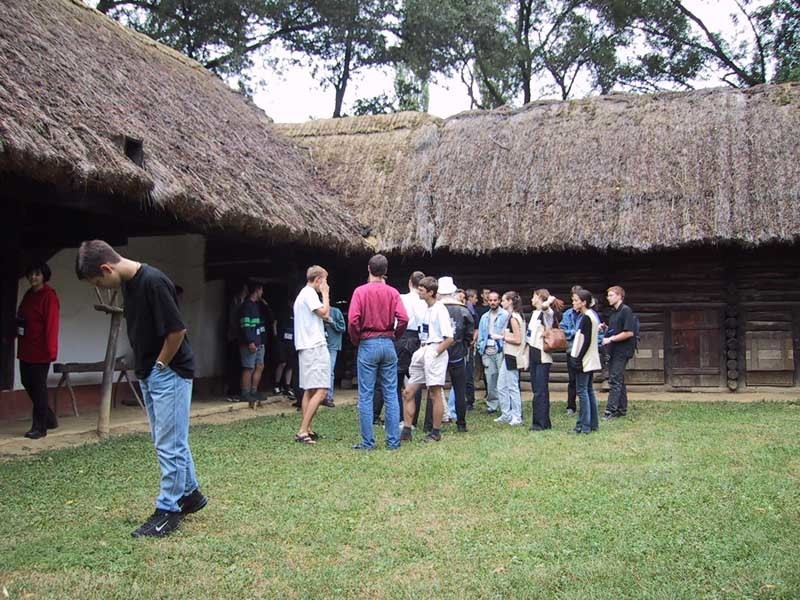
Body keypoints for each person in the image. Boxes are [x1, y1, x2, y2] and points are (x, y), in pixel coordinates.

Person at [75, 240, 206, 537]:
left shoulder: (154, 281)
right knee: (170, 439)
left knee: (168, 444)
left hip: (168, 372)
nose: (102, 287)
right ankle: (191, 494)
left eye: (99, 281)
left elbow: (176, 331)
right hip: (150, 372)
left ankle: (168, 511)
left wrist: (160, 366)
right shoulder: (129, 284)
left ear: (107, 268)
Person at [348, 254, 408, 450]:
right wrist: (394, 335)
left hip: (368, 342)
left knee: (366, 394)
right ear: (386, 271)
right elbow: (404, 318)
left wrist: (356, 339)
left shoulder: (360, 292)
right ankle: (392, 441)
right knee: (391, 392)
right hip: (388, 342)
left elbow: (353, 320)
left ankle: (368, 442)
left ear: (368, 269)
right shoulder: (392, 292)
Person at [401, 276, 453, 443]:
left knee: (434, 393)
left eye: (422, 290)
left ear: (431, 292)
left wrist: (436, 352)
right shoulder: (424, 308)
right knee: (408, 391)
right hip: (422, 349)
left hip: (434, 349)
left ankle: (435, 431)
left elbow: (449, 338)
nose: (419, 292)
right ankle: (407, 429)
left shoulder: (440, 309)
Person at [16, 263, 59, 439]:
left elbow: (51, 324)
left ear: (44, 276)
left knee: (39, 388)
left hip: (41, 351)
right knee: (28, 382)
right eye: (31, 274)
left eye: (37, 274)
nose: (33, 277)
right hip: (26, 347)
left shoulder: (48, 296)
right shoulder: (29, 294)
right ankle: (49, 418)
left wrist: (51, 350)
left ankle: (40, 428)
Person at [292, 266, 331, 445]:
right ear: (317, 280)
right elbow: (325, 313)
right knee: (322, 389)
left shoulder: (303, 295)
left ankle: (306, 428)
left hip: (305, 346)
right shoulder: (310, 294)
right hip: (314, 346)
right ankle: (302, 430)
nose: (326, 284)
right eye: (324, 280)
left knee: (310, 389)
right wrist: (325, 294)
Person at [438, 277, 474, 433]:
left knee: (435, 387)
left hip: (439, 351)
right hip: (458, 353)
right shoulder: (463, 310)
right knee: (459, 389)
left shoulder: (435, 308)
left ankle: (431, 423)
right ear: (453, 291)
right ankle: (461, 423)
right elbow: (469, 333)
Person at [392, 270, 426, 430]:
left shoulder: (401, 298)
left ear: (409, 283)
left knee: (398, 379)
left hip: (402, 335)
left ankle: (400, 418)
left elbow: (395, 318)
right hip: (418, 338)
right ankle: (413, 419)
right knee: (416, 379)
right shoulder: (424, 301)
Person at [527, 290, 564, 431]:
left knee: (540, 391)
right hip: (533, 352)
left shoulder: (546, 313)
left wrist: (548, 300)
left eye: (534, 296)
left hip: (543, 355)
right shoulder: (534, 314)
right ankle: (543, 421)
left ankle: (540, 424)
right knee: (536, 389)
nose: (531, 299)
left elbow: (546, 309)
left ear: (539, 297)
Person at [569, 289, 602, 434]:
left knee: (582, 391)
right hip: (590, 358)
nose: (574, 302)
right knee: (588, 390)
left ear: (584, 302)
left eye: (576, 300)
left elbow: (586, 340)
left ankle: (584, 426)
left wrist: (578, 358)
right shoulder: (591, 315)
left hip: (585, 359)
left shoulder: (587, 317)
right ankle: (593, 423)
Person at [602, 285, 636, 420]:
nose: (608, 298)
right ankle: (622, 409)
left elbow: (629, 332)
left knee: (615, 379)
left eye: (611, 295)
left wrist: (610, 339)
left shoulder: (626, 311)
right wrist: (606, 328)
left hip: (623, 350)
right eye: (608, 295)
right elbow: (615, 329)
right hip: (614, 349)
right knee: (619, 379)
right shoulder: (614, 312)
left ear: (619, 296)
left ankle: (610, 411)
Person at [495, 291, 525, 426]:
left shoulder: (514, 317)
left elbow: (518, 339)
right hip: (508, 354)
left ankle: (517, 416)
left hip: (513, 355)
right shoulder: (513, 316)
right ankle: (506, 414)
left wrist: (501, 337)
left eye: (503, 300)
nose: (501, 303)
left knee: (512, 386)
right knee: (501, 385)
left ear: (510, 301)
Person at [477, 291, 508, 414]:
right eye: (490, 300)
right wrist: (481, 349)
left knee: (503, 378)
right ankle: (492, 405)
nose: (492, 302)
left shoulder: (505, 315)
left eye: (495, 300)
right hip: (487, 350)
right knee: (490, 378)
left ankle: (505, 405)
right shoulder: (484, 317)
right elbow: (480, 334)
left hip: (500, 349)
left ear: (499, 301)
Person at [238, 280, 267, 408]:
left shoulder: (256, 305)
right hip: (249, 342)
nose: (262, 292)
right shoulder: (246, 306)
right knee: (249, 367)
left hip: (259, 341)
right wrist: (250, 341)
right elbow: (245, 325)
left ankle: (254, 391)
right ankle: (245, 393)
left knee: (259, 366)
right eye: (261, 290)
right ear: (257, 290)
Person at [559, 285, 584, 416]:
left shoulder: (587, 314)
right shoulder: (567, 314)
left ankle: (585, 405)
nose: (574, 302)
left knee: (584, 379)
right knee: (572, 379)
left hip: (583, 350)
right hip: (571, 350)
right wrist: (574, 332)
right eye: (573, 298)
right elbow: (563, 331)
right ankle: (571, 406)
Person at [225, 283, 248, 402]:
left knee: (240, 365)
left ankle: (237, 390)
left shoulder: (241, 301)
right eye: (245, 290)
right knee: (234, 365)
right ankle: (232, 391)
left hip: (239, 338)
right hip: (234, 338)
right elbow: (234, 321)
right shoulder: (235, 302)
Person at [272, 302, 296, 402]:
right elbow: (274, 323)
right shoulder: (282, 310)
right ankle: (276, 385)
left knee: (290, 365)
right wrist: (276, 336)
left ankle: (287, 386)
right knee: (282, 363)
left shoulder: (297, 311)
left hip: (292, 341)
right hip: (282, 340)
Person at [324, 303, 346, 408]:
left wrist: (331, 322)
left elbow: (343, 328)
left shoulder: (335, 311)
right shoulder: (317, 312)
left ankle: (328, 397)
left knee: (329, 371)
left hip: (333, 345)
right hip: (321, 344)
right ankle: (320, 396)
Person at [464, 289, 479, 410]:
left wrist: (472, 340)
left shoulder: (472, 311)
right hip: (464, 345)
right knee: (467, 373)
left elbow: (476, 328)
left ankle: (469, 400)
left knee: (468, 373)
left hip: (467, 345)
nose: (477, 300)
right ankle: (468, 400)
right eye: (475, 297)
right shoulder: (468, 310)